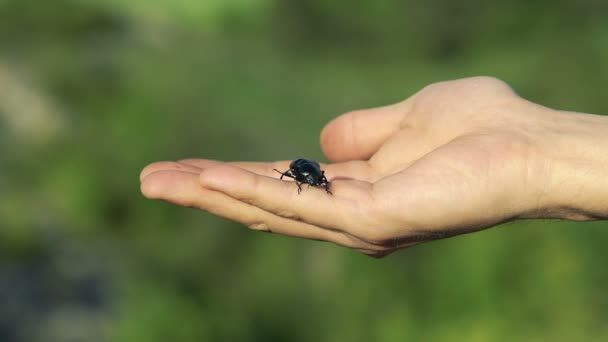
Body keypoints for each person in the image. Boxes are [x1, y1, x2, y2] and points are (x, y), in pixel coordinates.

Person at [139, 76, 608, 257]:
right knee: (303, 167)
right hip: (304, 166)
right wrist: (540, 149)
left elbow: (311, 171)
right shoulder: (309, 174)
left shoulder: (317, 175)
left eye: (317, 181)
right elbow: (305, 171)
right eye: (316, 181)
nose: (317, 182)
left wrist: (536, 153)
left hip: (308, 166)